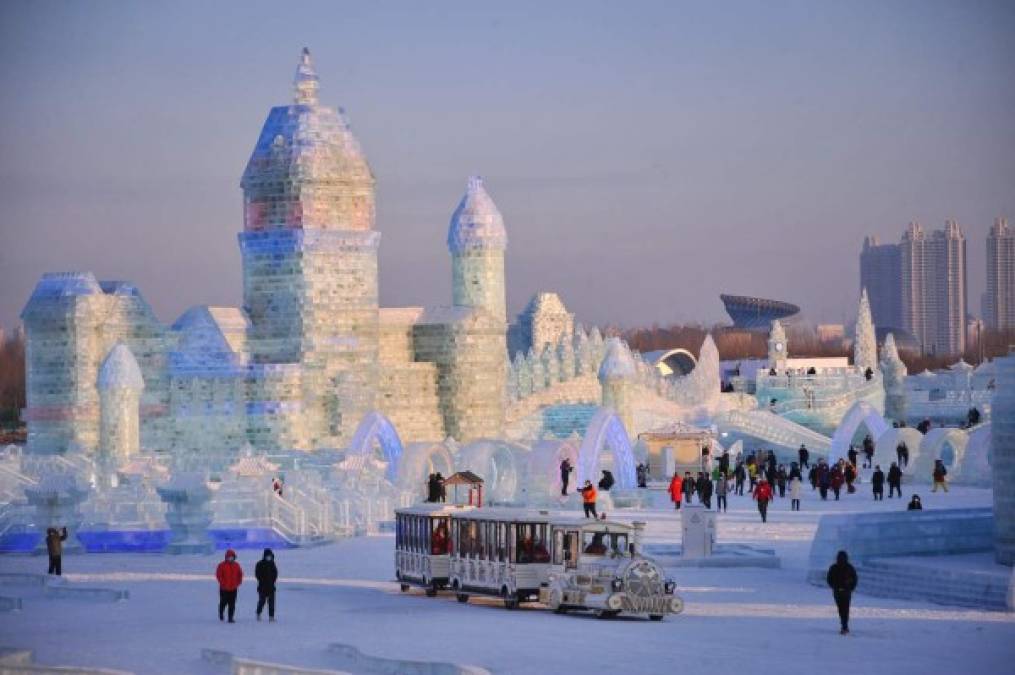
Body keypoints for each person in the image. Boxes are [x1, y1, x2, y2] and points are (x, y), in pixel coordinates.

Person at [826, 550, 858, 635]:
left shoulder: (834, 567)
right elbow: (855, 579)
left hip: (839, 592)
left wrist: (834, 586)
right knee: (845, 609)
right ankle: (845, 626)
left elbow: (829, 579)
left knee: (841, 609)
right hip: (845, 592)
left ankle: (844, 626)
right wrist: (851, 588)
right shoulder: (849, 567)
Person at [216, 549, 243, 623]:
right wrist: (223, 583)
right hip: (224, 588)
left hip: (233, 588)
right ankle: (221, 613)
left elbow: (240, 574)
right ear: (226, 557)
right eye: (229, 557)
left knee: (232, 604)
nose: (230, 558)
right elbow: (219, 575)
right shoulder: (221, 565)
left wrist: (238, 582)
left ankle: (230, 617)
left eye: (232, 557)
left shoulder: (236, 565)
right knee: (223, 602)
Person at [254, 548, 278, 622]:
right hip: (262, 587)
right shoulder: (260, 563)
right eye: (267, 556)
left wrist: (272, 581)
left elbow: (275, 573)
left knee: (271, 602)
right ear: (264, 556)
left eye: (270, 556)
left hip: (271, 587)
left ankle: (271, 616)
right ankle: (258, 613)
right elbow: (257, 574)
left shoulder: (272, 564)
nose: (269, 557)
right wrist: (262, 580)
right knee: (262, 601)